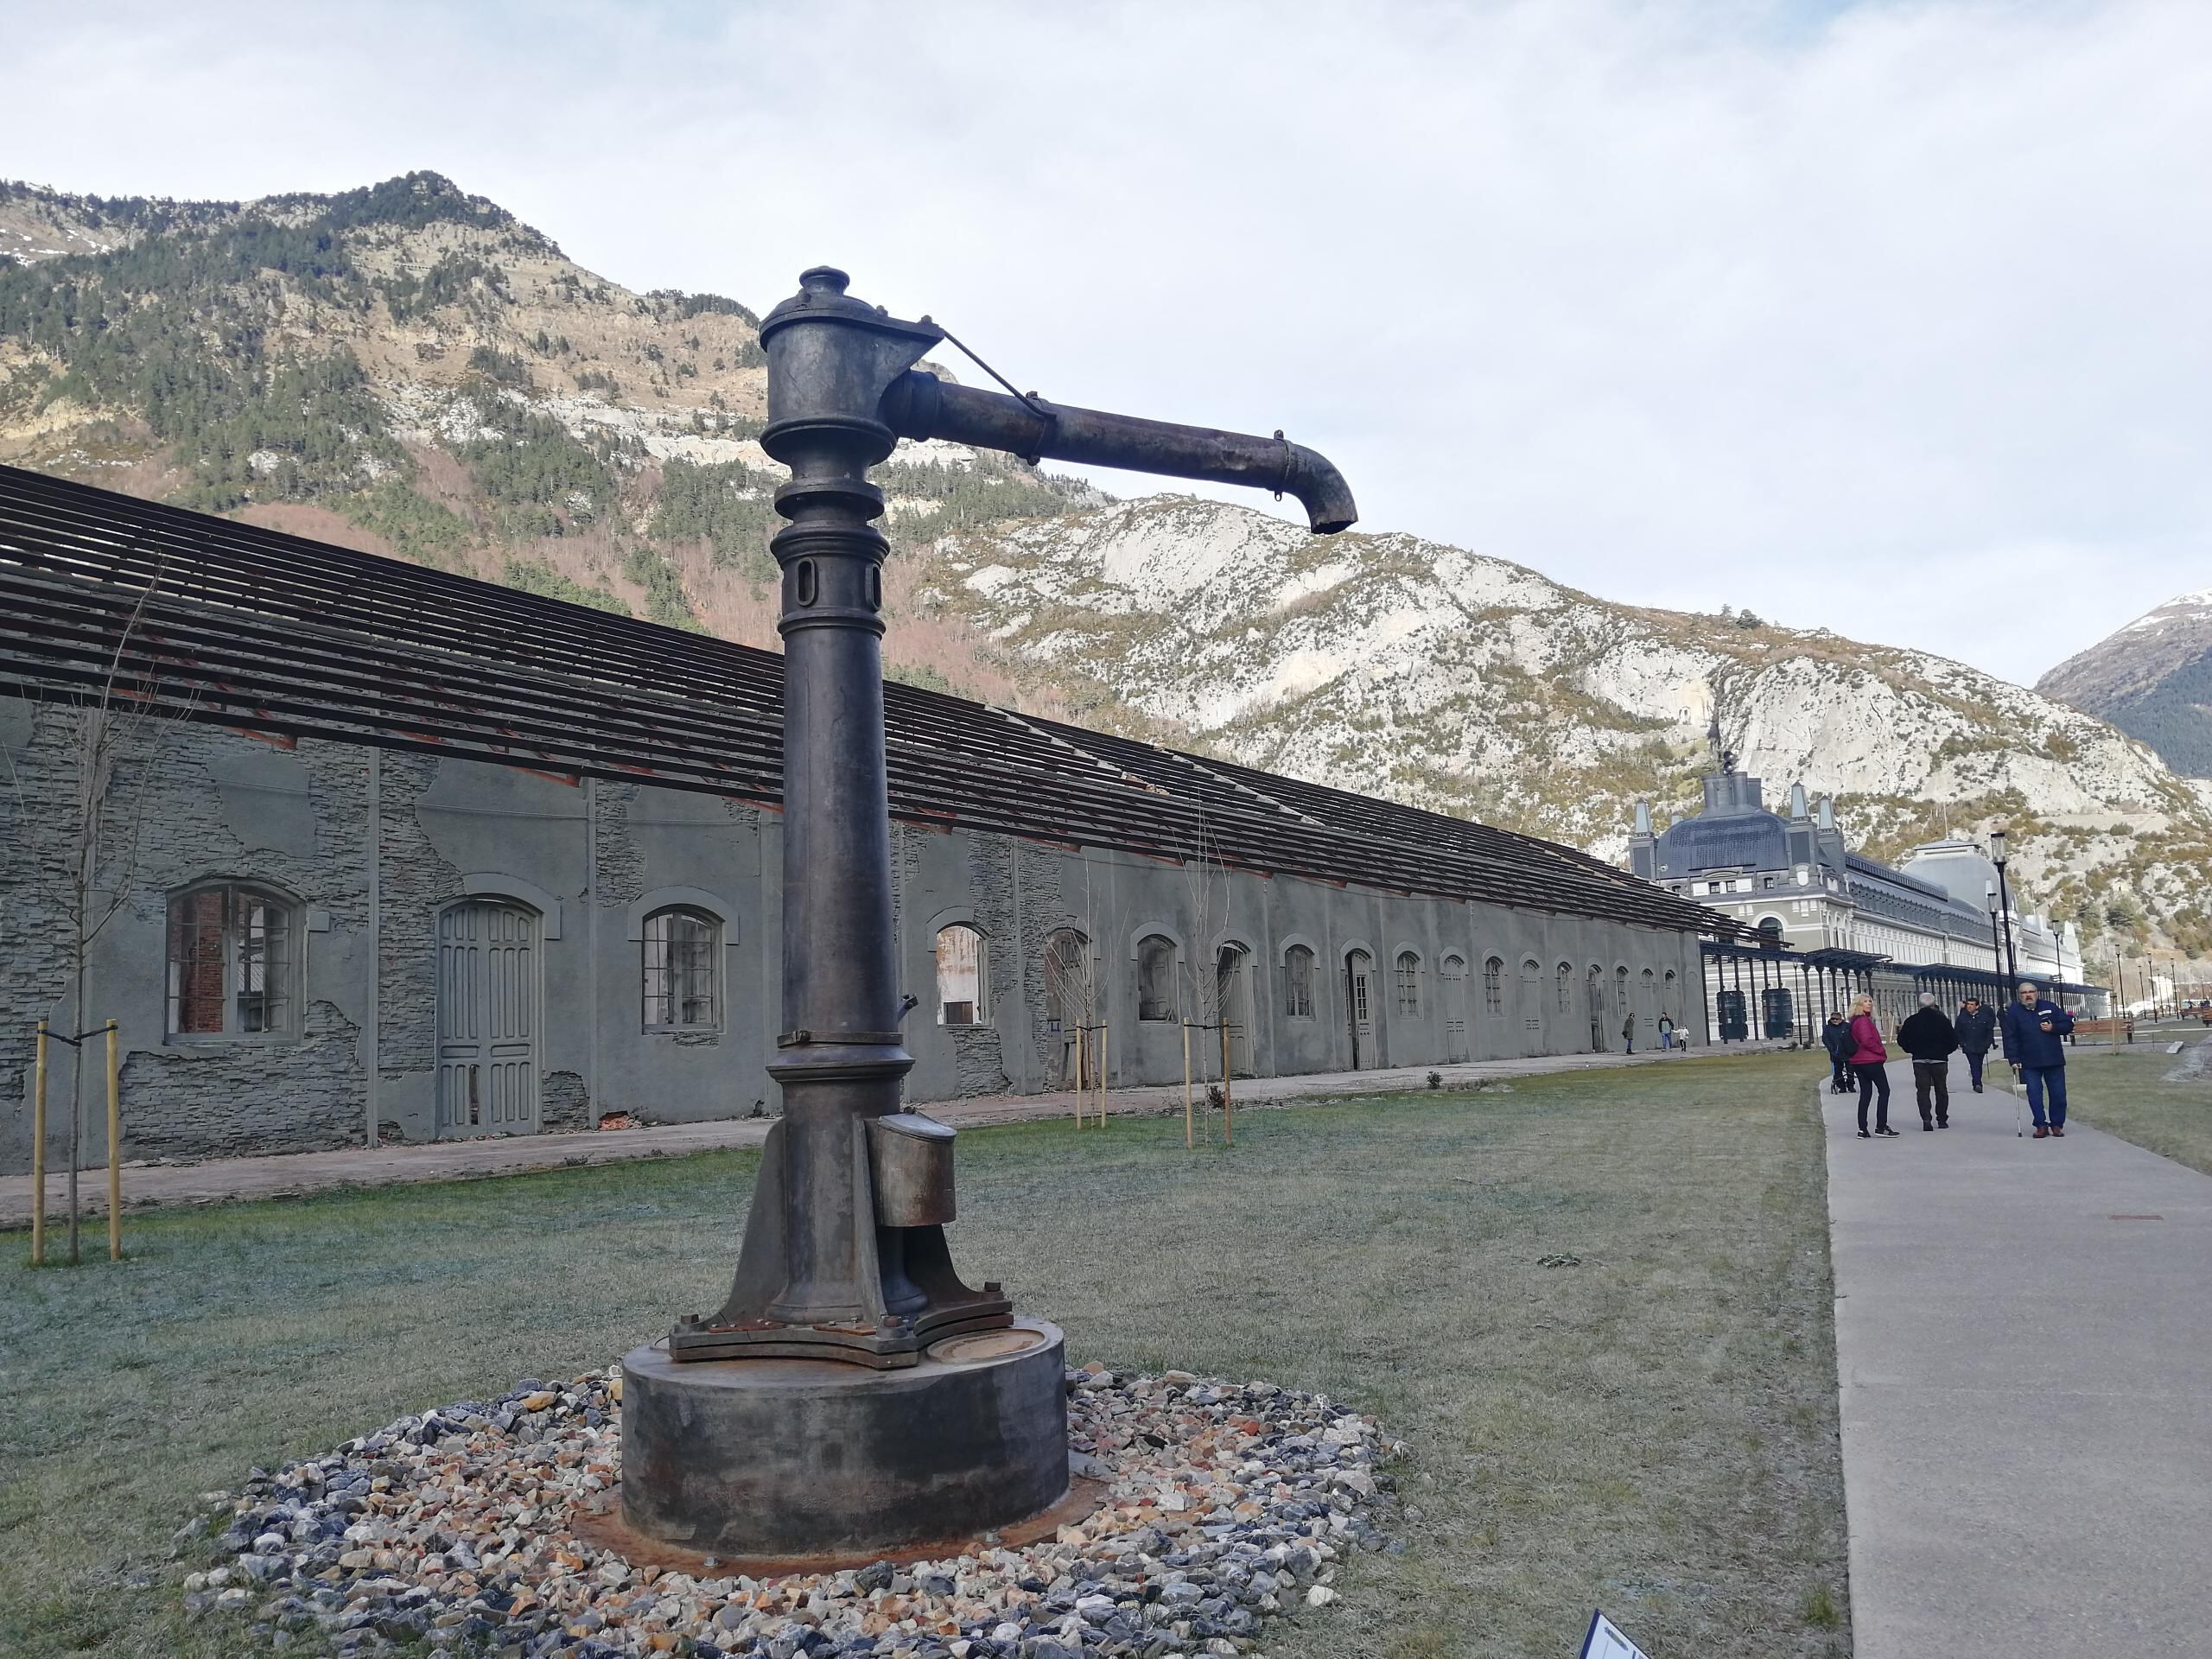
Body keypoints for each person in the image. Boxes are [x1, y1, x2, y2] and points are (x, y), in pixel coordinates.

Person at [2002, 980, 2076, 1139]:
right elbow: (2010, 1037)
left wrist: (2053, 1028)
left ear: (2037, 993)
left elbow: (2068, 1024)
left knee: (2058, 1095)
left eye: (2031, 992)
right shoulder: (2014, 1012)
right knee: (2034, 1094)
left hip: (2053, 1059)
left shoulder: (2050, 1007)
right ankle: (2041, 1125)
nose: (2028, 995)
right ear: (2019, 996)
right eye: (2024, 993)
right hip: (2029, 1061)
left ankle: (2056, 1124)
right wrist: (2013, 1058)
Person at [1897, 991, 1961, 1129]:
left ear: (1919, 1004)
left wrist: (1911, 1050)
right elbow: (1954, 1041)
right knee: (1941, 1090)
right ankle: (1942, 1119)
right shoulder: (1943, 1020)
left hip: (1919, 1060)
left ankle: (1926, 1119)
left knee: (1922, 1091)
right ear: (1933, 1003)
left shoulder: (1911, 1020)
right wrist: (1944, 1052)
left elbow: (1901, 1040)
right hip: (1939, 1059)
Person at [1847, 994, 1897, 1137]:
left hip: (1858, 1061)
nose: (1869, 1003)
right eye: (1865, 1001)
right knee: (1884, 1091)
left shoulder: (1855, 1021)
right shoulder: (1862, 1021)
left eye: (1870, 1001)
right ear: (1858, 1005)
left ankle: (1862, 1128)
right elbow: (1866, 1040)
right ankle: (1881, 1126)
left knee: (1866, 1093)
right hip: (1870, 1061)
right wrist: (1881, 1050)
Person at [1953, 995, 1995, 1092]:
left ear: (1977, 1006)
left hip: (1981, 1045)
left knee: (1979, 1064)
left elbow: (1989, 1031)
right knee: (1974, 1063)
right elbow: (1958, 1031)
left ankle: (1976, 1081)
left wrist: (1987, 1043)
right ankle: (1977, 1083)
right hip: (1969, 1045)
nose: (1969, 1006)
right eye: (1968, 1004)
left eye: (1972, 1005)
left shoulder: (1985, 1017)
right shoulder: (1962, 1018)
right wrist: (1962, 1043)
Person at [1820, 1011, 1853, 1093]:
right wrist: (1832, 1049)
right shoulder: (1827, 1028)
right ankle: (1842, 1087)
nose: (1834, 1020)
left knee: (1851, 1069)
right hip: (1835, 1052)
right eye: (1832, 1019)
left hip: (1848, 1052)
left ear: (1841, 1019)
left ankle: (1851, 1085)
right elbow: (1826, 1039)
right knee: (1838, 1070)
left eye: (1836, 1019)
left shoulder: (1847, 1026)